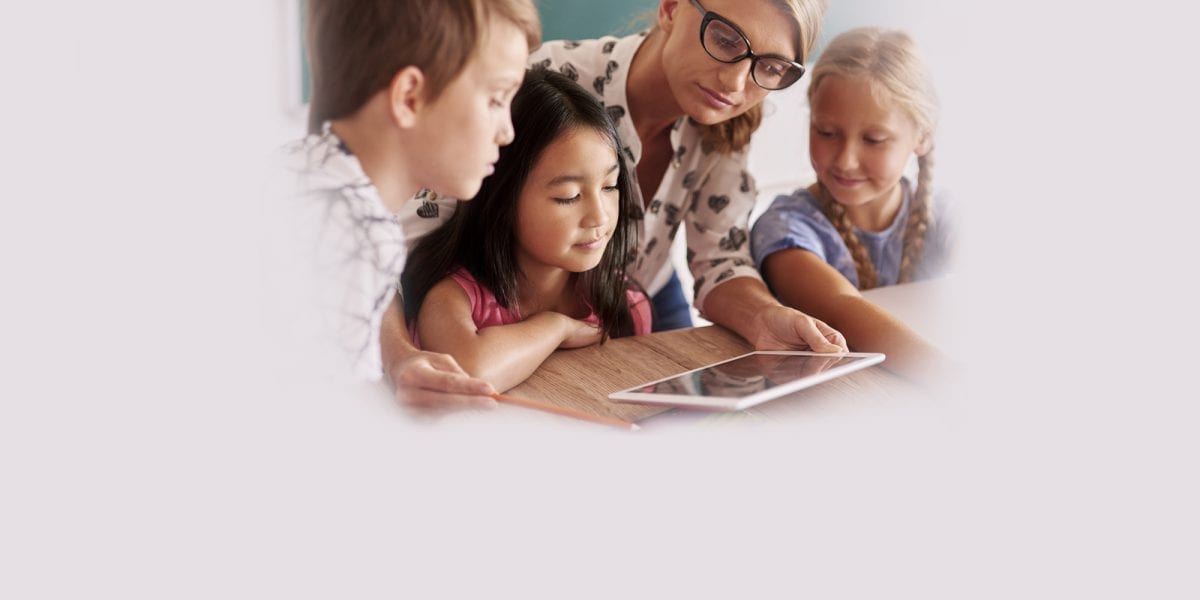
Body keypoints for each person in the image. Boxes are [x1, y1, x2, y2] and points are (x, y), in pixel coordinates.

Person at [387, 0, 846, 393]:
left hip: (624, 297)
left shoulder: (729, 122)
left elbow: (721, 261)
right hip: (506, 305)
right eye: (726, 40)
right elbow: (399, 246)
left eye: (769, 67)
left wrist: (766, 316)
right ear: (670, 8)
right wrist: (399, 356)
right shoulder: (540, 82)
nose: (735, 84)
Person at [280, 0, 541, 407]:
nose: (507, 132)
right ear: (410, 97)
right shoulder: (359, 232)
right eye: (495, 99)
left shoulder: (302, 171)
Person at [401, 69, 652, 393]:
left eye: (609, 186)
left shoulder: (624, 305)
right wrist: (555, 327)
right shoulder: (455, 298)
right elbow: (469, 372)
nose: (599, 216)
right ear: (502, 199)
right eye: (569, 196)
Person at [750, 27, 958, 383]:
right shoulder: (785, 227)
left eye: (874, 140)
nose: (846, 160)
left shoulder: (948, 211)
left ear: (922, 135)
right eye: (827, 132)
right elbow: (840, 309)